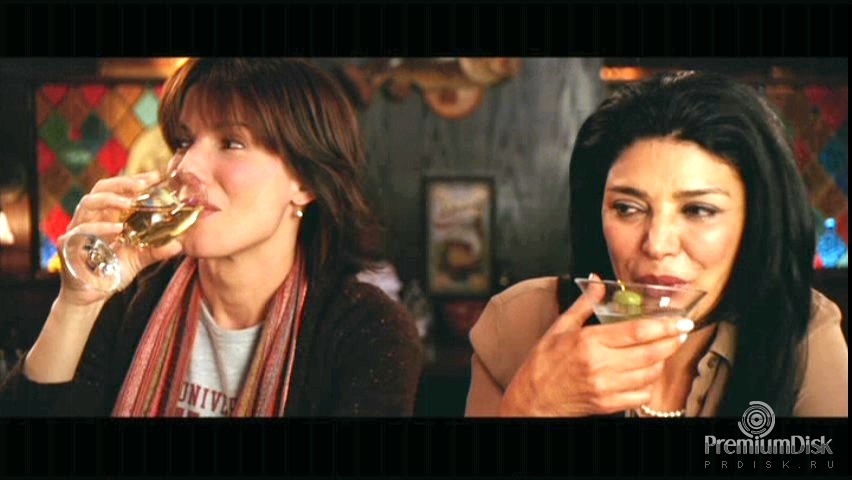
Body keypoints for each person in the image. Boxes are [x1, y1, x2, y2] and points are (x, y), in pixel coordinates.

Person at [0, 58, 423, 417]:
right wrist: (77, 303)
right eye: (185, 141)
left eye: (231, 142)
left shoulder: (366, 331)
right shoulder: (133, 297)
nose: (187, 166)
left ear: (305, 181)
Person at [466, 71, 848, 418]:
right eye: (627, 208)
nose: (657, 245)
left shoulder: (802, 334)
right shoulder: (518, 321)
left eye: (698, 210)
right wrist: (531, 404)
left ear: (754, 220)